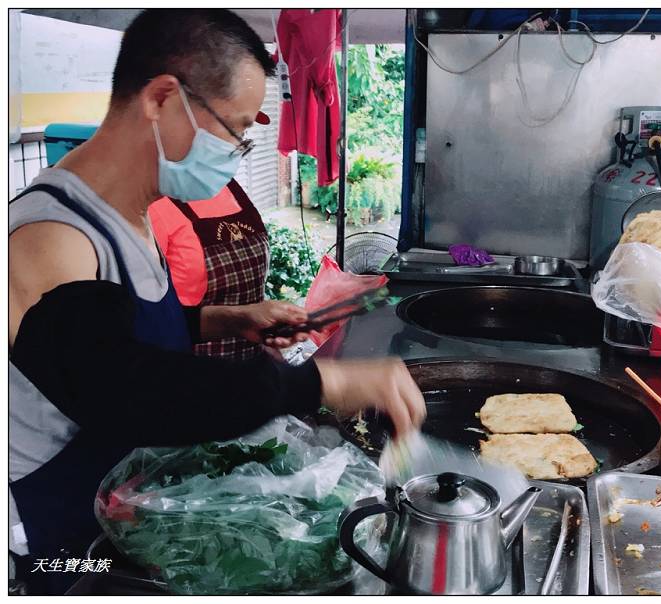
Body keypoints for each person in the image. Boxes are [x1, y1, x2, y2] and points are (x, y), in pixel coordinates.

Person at [8, 9, 425, 594]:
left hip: (140, 508)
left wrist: (225, 319)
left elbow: (123, 322)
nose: (236, 151)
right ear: (161, 98)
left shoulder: (133, 212)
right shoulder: (50, 238)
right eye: (232, 132)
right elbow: (119, 385)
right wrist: (323, 384)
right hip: (67, 541)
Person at [148, 175, 305, 358]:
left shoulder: (230, 187)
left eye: (243, 145)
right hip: (194, 368)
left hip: (253, 358)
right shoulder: (155, 204)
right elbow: (154, 324)